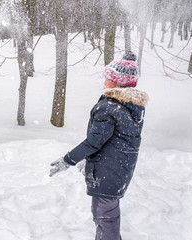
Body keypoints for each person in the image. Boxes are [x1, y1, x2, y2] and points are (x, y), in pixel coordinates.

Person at [49, 51, 149, 240]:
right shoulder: (132, 106)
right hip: (118, 170)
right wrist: (91, 160)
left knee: (105, 218)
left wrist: (67, 160)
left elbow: (94, 141)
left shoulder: (109, 107)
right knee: (104, 215)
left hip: (109, 174)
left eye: (108, 77)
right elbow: (113, 141)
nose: (105, 80)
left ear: (117, 81)